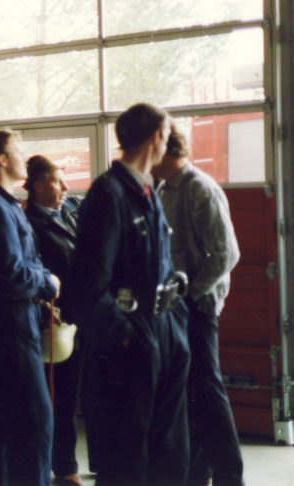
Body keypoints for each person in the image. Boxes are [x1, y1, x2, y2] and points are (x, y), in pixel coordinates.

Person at [69, 102, 191, 486]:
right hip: (133, 338)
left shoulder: (147, 190)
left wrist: (175, 322)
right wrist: (125, 336)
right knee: (128, 457)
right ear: (156, 137)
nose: (168, 143)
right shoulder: (109, 194)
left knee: (169, 451)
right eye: (167, 136)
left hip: (164, 328)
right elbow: (88, 286)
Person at [0, 129, 60, 486]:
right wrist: (48, 283)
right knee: (35, 421)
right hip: (8, 324)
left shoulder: (1, 203)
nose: (24, 157)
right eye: (18, 151)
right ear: (1, 160)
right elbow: (12, 273)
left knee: (4, 421)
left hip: (9, 319)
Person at [152, 129, 244, 486]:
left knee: (207, 387)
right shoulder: (164, 189)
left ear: (165, 148)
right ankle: (198, 474)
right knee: (192, 391)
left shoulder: (199, 187)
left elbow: (226, 253)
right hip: (176, 308)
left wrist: (191, 296)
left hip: (197, 307)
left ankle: (230, 476)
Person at [23, 155, 82, 486]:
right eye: (58, 181)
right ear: (39, 185)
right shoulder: (27, 224)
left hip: (86, 317)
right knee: (60, 398)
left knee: (89, 392)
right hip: (55, 322)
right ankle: (63, 467)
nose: (66, 187)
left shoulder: (73, 211)